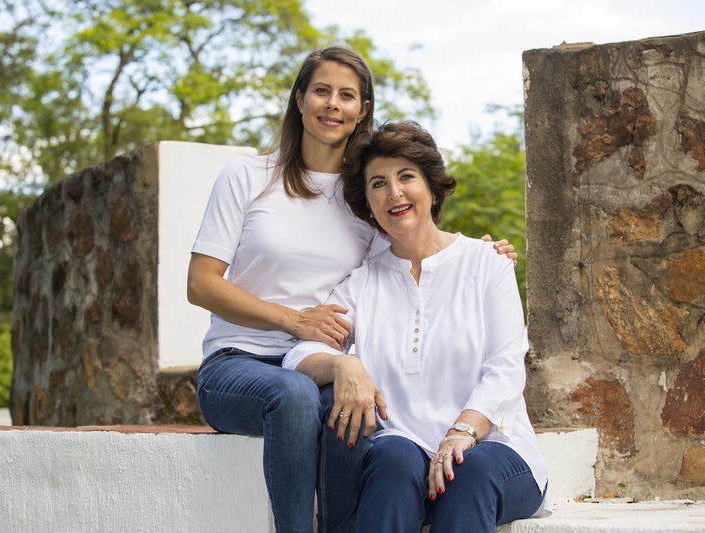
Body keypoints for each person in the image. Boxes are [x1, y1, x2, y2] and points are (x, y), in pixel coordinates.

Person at [187, 47, 517, 533]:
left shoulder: (365, 195)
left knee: (360, 412)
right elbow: (201, 284)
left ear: (362, 110)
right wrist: (293, 320)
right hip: (239, 362)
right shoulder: (248, 176)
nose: (332, 104)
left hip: (320, 366)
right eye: (321, 91)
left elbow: (412, 248)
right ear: (299, 98)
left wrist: (479, 253)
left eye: (346, 95)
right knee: (296, 396)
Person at [283, 121, 550, 533]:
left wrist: (462, 433)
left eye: (406, 176)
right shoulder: (362, 283)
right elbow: (299, 354)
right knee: (390, 460)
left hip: (493, 449)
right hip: (407, 451)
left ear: (432, 188)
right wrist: (342, 364)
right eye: (378, 184)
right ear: (368, 203)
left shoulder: (487, 264)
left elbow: (506, 368)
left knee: (466, 471)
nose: (394, 193)